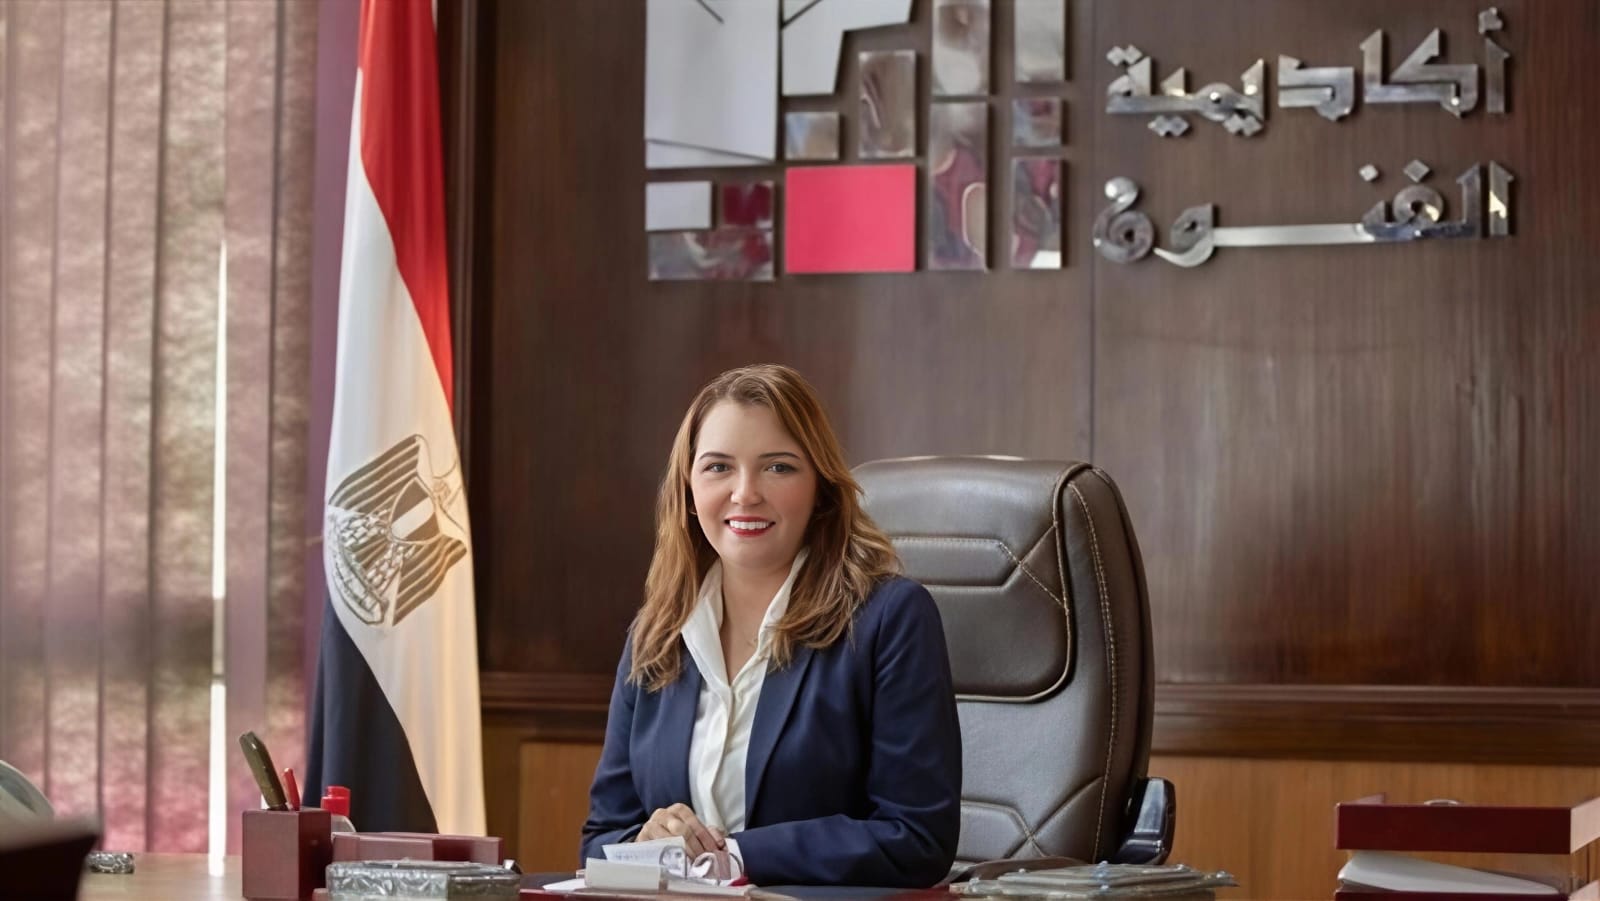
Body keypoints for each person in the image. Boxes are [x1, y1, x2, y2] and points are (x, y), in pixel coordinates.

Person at [581, 364, 961, 888]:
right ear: (688, 490)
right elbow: (601, 840)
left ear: (821, 488)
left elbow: (916, 837)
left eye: (778, 467)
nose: (745, 493)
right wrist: (647, 844)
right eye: (718, 467)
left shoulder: (890, 619)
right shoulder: (658, 633)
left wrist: (737, 856)